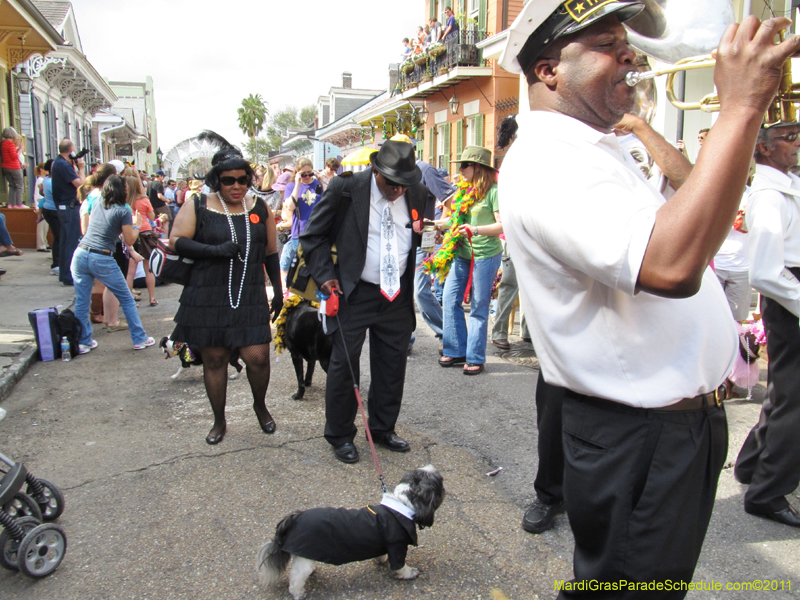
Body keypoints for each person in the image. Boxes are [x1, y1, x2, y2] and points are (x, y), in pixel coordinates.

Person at [497, 1, 800, 595]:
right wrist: (741, 107)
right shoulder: (549, 159)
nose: (630, 54)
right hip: (636, 434)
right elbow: (670, 265)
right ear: (550, 70)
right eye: (609, 43)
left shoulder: (596, 148)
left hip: (662, 428)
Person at [300, 140, 427, 464]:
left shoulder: (417, 192)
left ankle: (383, 428)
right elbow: (313, 236)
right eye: (391, 184)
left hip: (395, 294)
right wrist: (326, 274)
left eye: (403, 185)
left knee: (392, 363)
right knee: (343, 365)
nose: (397, 191)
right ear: (375, 170)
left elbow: (411, 237)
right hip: (354, 291)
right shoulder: (346, 189)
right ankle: (340, 435)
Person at [170, 131, 283, 445]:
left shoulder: (259, 207)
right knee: (215, 359)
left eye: (243, 179)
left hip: (249, 295)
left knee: (258, 357)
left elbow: (271, 252)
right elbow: (176, 241)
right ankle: (219, 420)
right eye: (228, 180)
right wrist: (214, 250)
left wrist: (277, 289)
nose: (236, 186)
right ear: (215, 180)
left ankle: (259, 405)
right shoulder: (198, 205)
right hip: (209, 295)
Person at [733, 122, 800, 527]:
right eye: (788, 138)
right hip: (790, 295)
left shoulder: (786, 185)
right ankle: (768, 493)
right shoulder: (771, 196)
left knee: (787, 394)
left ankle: (751, 466)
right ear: (763, 149)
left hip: (790, 291)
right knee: (796, 402)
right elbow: (765, 273)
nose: (797, 144)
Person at [430, 146, 502, 375]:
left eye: (464, 165)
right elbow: (454, 218)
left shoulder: (493, 192)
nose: (460, 170)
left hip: (486, 255)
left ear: (478, 168)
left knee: (479, 306)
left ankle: (475, 357)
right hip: (462, 254)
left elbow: (503, 224)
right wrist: (436, 224)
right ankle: (456, 349)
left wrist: (476, 229)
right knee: (450, 299)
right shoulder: (463, 191)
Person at [71, 175, 154, 354]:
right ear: (122, 190)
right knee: (126, 297)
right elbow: (130, 239)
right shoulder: (123, 210)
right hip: (101, 257)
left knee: (82, 302)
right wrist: (138, 225)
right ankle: (140, 338)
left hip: (80, 253)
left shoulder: (99, 202)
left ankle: (83, 342)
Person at [279, 158, 322, 285]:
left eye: (310, 173)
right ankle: (295, 295)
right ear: (297, 172)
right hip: (300, 233)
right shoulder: (291, 186)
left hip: (317, 232)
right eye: (304, 174)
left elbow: (327, 202)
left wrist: (322, 180)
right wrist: (298, 184)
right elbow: (290, 207)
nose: (307, 177)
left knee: (315, 267)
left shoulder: (318, 185)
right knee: (298, 267)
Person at [52, 138, 86, 285]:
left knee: (66, 241)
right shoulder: (62, 165)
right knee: (71, 241)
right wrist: (81, 168)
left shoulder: (59, 163)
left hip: (65, 206)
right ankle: (69, 275)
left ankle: (65, 273)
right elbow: (81, 184)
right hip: (69, 206)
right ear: (70, 151)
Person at [125, 176, 158, 308]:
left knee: (130, 271)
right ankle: (152, 297)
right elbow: (152, 217)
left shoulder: (125, 201)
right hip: (145, 233)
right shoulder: (144, 200)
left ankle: (130, 298)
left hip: (131, 233)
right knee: (148, 269)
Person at [40, 159, 60, 275]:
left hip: (50, 209)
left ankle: (58, 263)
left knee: (59, 237)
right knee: (59, 237)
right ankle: (56, 264)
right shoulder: (50, 182)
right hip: (53, 211)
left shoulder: (47, 180)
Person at [1, 127, 24, 207]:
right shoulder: (10, 143)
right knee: (19, 185)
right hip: (14, 167)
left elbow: (9, 155)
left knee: (12, 185)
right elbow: (14, 157)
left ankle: (11, 203)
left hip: (5, 167)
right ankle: (19, 204)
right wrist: (20, 149)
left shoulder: (3, 143)